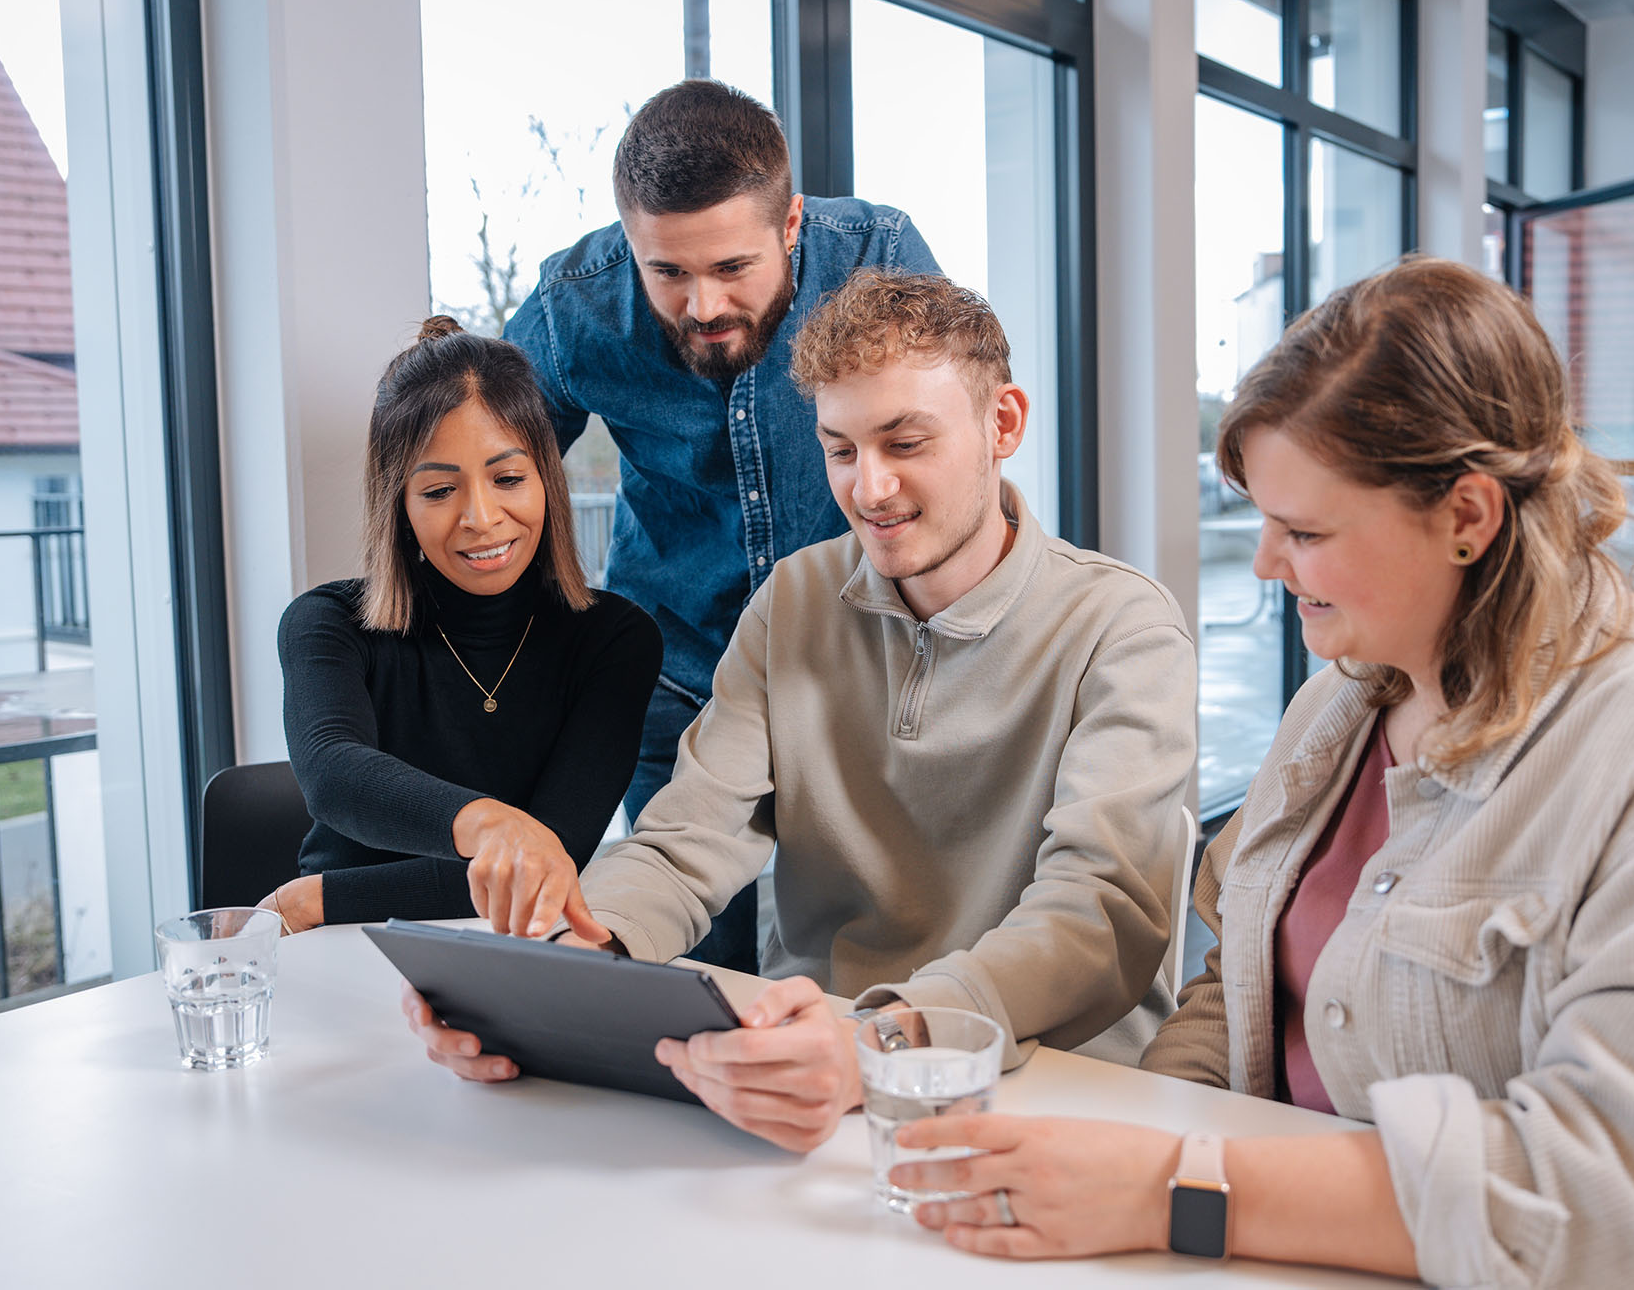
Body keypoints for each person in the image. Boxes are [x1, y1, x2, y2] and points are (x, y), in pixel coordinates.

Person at [886, 256, 1634, 1289]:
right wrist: (1137, 1173)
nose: (1267, 563)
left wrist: (1173, 1186)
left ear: (1467, 516)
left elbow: (1633, 1202)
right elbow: (1233, 987)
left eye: (1306, 531)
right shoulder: (1336, 706)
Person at [406, 270, 1197, 1152]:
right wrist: (560, 967)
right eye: (841, 448)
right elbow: (685, 843)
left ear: (1001, 423)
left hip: (1055, 1099)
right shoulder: (795, 602)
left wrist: (885, 1038)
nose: (870, 488)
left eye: (905, 442)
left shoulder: (1122, 626)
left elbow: (1099, 914)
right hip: (815, 1086)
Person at [504, 78, 940, 972]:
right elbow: (495, 475)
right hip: (676, 677)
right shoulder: (573, 306)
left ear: (789, 226)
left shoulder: (878, 255)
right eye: (667, 271)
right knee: (700, 964)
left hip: (859, 669)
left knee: (871, 964)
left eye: (731, 268)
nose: (701, 305)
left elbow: (947, 448)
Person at [261, 317, 662, 934]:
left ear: (546, 481)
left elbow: (544, 869)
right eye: (440, 490)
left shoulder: (615, 640)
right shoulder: (327, 623)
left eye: (507, 479)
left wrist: (320, 899)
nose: (480, 517)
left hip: (493, 951)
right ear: (399, 502)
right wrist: (493, 824)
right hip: (339, 951)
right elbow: (333, 773)